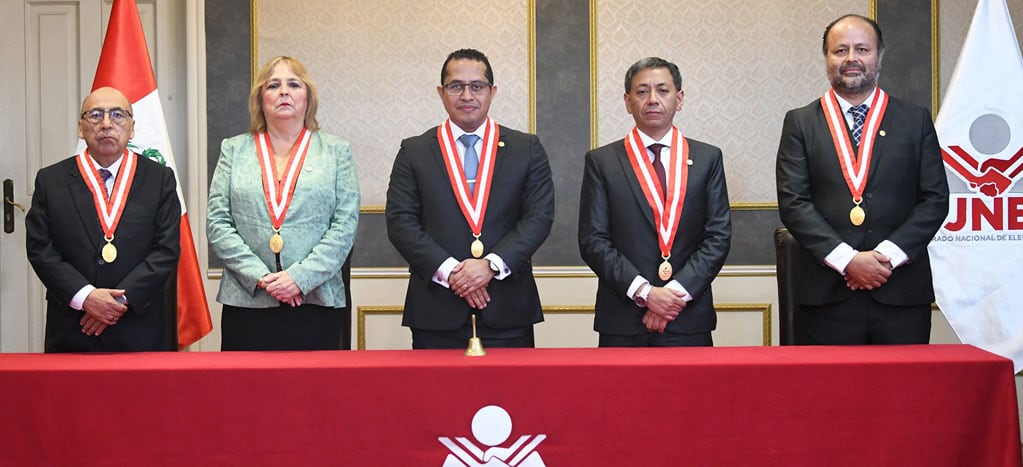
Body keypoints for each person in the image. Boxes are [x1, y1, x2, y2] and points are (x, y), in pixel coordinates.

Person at [776, 14, 949, 345]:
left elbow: (935, 199)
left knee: (901, 395)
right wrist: (848, 261)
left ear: (879, 56)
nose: (851, 59)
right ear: (826, 58)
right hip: (827, 296)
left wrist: (886, 257)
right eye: (840, 50)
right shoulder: (800, 123)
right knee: (830, 396)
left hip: (901, 292)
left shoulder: (915, 120)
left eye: (862, 49)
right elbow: (794, 202)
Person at [386, 48, 555, 349]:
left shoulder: (525, 149)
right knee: (438, 397)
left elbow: (538, 219)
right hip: (436, 309)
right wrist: (453, 273)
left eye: (477, 86)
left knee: (510, 396)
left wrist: (488, 267)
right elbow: (401, 222)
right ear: (441, 92)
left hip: (508, 308)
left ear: (492, 91)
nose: (467, 95)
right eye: (456, 86)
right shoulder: (414, 151)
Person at [207, 56, 359, 350]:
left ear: (308, 97)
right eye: (273, 85)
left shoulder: (336, 151)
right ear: (261, 99)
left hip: (317, 300)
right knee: (248, 393)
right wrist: (263, 278)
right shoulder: (234, 149)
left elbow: (344, 226)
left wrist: (298, 278)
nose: (284, 92)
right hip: (248, 301)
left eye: (294, 84)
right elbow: (218, 223)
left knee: (316, 394)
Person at [578, 57, 731, 347]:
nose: (652, 99)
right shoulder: (602, 162)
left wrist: (672, 296)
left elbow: (718, 237)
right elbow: (593, 240)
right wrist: (646, 294)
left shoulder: (707, 158)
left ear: (679, 98)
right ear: (627, 101)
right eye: (642, 91)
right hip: (623, 319)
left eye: (663, 90)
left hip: (687, 315)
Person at [26, 86, 181, 352]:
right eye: (95, 115)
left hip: (139, 326)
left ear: (132, 128)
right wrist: (86, 297)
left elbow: (166, 250)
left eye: (118, 115)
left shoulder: (160, 179)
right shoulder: (51, 181)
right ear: (80, 128)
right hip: (74, 325)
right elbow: (41, 249)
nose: (107, 124)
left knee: (142, 396)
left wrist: (118, 303)